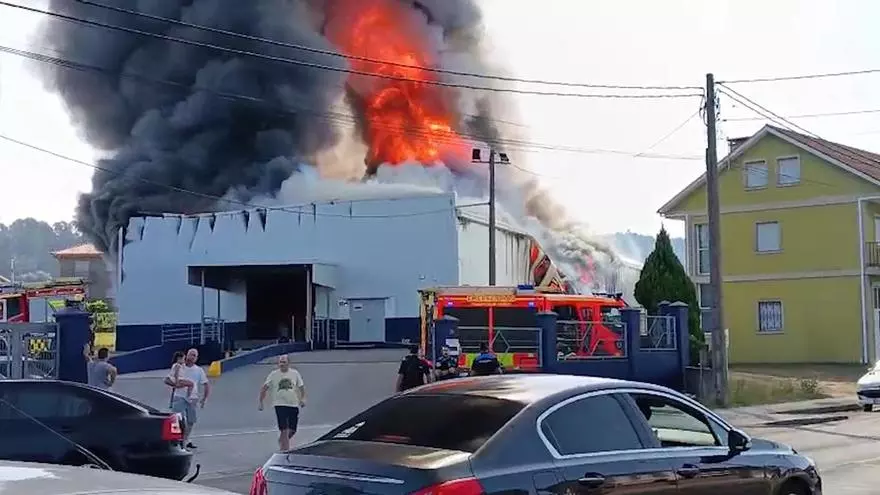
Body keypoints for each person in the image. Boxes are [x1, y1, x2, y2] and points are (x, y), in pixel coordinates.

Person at [164, 348, 210, 450]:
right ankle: (176, 441)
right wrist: (176, 385)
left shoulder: (199, 370)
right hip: (179, 397)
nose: (192, 357)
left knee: (191, 421)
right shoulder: (179, 366)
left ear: (197, 358)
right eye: (190, 355)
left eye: (194, 355)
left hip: (192, 398)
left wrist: (204, 399)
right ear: (186, 355)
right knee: (177, 420)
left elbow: (206, 384)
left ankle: (185, 440)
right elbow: (167, 380)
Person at [259, 354, 306, 452]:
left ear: (288, 363)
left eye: (284, 362)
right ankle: (284, 451)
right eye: (280, 362)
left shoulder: (295, 373)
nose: (282, 364)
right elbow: (264, 388)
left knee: (292, 430)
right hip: (279, 404)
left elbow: (301, 387)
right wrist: (261, 401)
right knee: (284, 429)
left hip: (293, 404)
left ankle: (282, 441)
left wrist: (303, 399)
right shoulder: (273, 374)